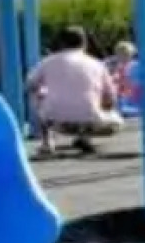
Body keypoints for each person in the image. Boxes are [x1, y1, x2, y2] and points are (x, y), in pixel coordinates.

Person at [26, 26, 123, 155]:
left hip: (56, 120)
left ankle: (47, 142)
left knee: (38, 93)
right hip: (92, 122)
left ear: (61, 43)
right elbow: (111, 97)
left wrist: (42, 93)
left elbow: (29, 84)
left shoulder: (47, 62)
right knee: (116, 120)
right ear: (84, 43)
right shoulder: (97, 64)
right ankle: (84, 136)